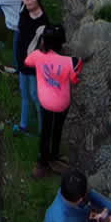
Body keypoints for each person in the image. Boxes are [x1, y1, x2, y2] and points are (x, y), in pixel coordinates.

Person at [25, 24, 83, 177]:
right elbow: (75, 79)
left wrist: (37, 38)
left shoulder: (37, 56)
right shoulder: (73, 61)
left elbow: (27, 61)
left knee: (45, 131)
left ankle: (42, 163)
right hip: (63, 103)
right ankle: (55, 156)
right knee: (57, 129)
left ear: (44, 41)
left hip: (45, 102)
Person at [14, 0, 48, 134]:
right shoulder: (24, 10)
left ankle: (43, 130)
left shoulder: (43, 21)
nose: (25, 1)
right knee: (24, 93)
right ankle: (23, 125)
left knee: (35, 95)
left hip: (34, 64)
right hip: (22, 59)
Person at [43, 167, 111, 222]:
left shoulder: (68, 189)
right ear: (80, 199)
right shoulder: (63, 221)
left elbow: (92, 194)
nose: (88, 190)